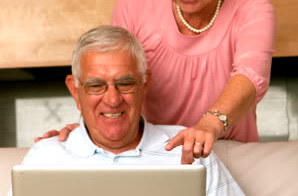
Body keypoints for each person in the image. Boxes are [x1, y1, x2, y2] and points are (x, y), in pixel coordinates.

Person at [37, 0, 276, 164]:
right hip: (152, 152)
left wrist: (210, 124)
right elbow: (114, 73)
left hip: (223, 148)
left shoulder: (253, 8)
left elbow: (249, 76)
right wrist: (90, 132)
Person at [13, 26, 244, 196]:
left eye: (125, 84)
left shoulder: (189, 150)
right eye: (96, 86)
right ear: (75, 91)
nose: (113, 100)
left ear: (145, 84)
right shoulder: (44, 157)